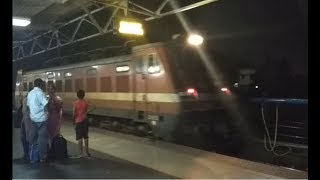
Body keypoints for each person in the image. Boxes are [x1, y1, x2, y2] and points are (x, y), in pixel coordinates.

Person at [27, 79, 49, 163]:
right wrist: (46, 112)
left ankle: (33, 157)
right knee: (42, 139)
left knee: (34, 139)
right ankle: (42, 157)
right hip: (42, 119)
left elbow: (28, 107)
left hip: (33, 119)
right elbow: (46, 104)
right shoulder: (40, 93)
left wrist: (32, 114)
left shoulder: (30, 93)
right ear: (40, 84)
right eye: (43, 84)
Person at [73, 89, 95, 157]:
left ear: (77, 95)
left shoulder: (75, 103)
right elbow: (94, 106)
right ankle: (87, 152)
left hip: (78, 121)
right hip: (85, 120)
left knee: (79, 137)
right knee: (86, 136)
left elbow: (74, 114)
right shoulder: (86, 102)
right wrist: (87, 112)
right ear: (84, 95)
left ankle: (80, 153)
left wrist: (73, 122)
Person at [20, 87, 33, 162]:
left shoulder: (25, 99)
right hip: (29, 122)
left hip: (25, 121)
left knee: (24, 137)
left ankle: (26, 154)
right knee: (29, 138)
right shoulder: (30, 100)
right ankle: (30, 154)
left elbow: (23, 111)